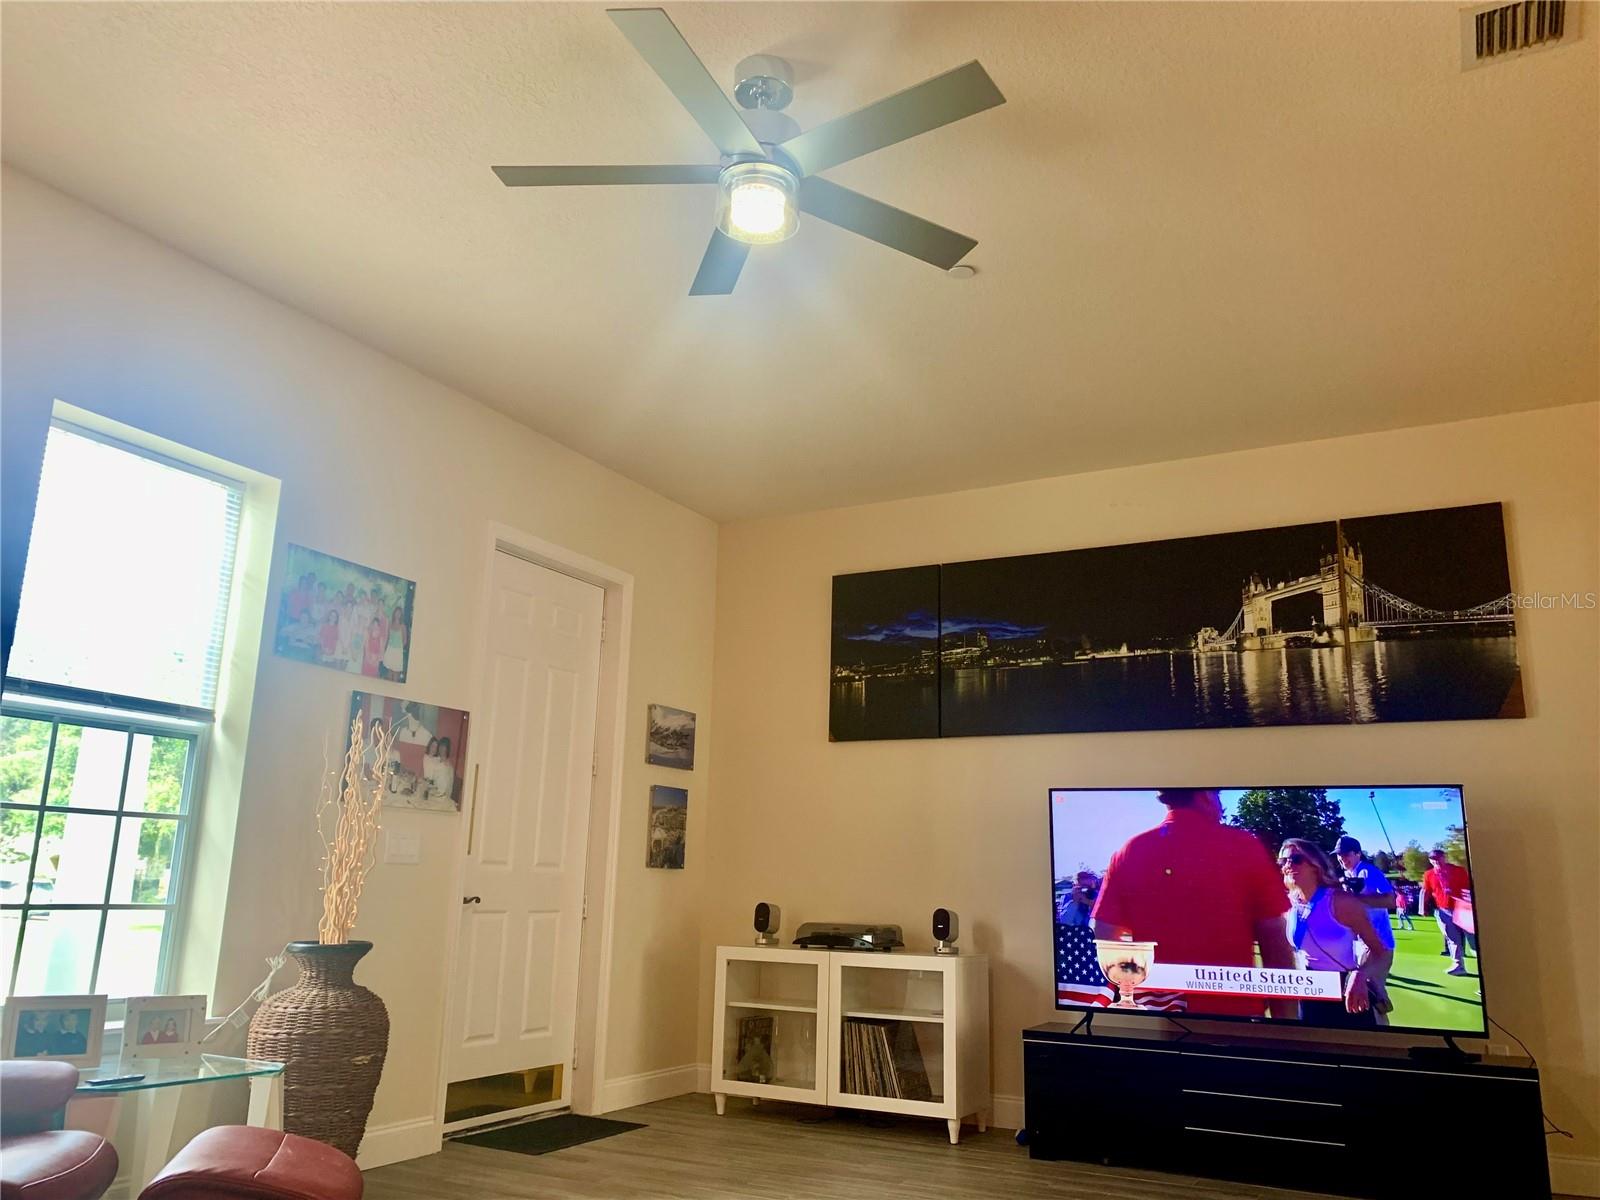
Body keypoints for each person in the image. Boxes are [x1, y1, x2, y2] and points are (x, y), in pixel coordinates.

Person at [1091, 788, 1298, 1019]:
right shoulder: (1242, 846)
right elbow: (1275, 943)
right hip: (1233, 1018)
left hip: (1153, 1016)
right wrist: (1286, 1021)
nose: (1220, 805)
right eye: (1218, 796)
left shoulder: (1129, 851)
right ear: (1206, 795)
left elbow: (1105, 936)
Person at [1279, 839, 1393, 1028]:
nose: (1288, 865)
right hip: (1309, 992)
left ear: (1315, 865)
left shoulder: (1340, 901)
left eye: (1296, 859)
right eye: (1283, 861)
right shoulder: (1289, 904)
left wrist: (1360, 974)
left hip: (1346, 992)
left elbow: (1380, 952)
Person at [1333, 835, 1396, 952]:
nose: (1342, 858)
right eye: (1339, 854)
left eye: (1346, 854)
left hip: (1378, 941)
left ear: (1358, 853)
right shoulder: (1347, 874)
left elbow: (1390, 900)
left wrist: (1356, 898)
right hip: (1358, 941)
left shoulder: (1369, 871)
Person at [1423, 848, 1472, 976]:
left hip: (1462, 909)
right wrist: (1423, 908)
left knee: (1473, 940)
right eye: (1433, 859)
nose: (1436, 861)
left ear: (1444, 857)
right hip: (1443, 910)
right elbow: (1427, 891)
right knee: (1452, 938)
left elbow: (1467, 888)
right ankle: (1458, 966)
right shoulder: (1429, 874)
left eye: (1438, 858)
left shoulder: (1458, 870)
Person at [380, 604, 408, 680]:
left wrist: (399, 648)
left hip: (397, 651)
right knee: (389, 671)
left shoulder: (403, 626)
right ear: (394, 613)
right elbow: (388, 637)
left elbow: (405, 641)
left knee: (396, 672)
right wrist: (386, 648)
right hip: (390, 649)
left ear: (401, 615)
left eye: (399, 613)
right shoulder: (390, 623)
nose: (397, 614)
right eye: (396, 612)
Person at [423, 735, 455, 802]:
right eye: (440, 746)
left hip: (442, 798)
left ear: (447, 749)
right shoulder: (438, 761)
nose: (441, 748)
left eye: (444, 746)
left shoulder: (446, 766)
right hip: (435, 793)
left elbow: (445, 790)